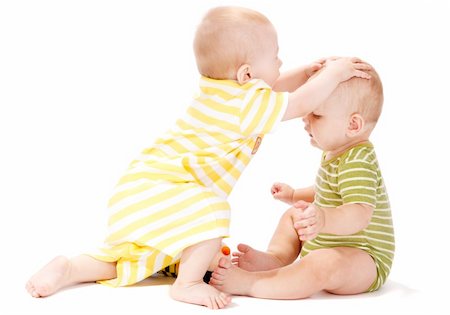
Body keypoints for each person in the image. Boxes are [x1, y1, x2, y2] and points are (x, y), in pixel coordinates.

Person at [25, 6, 370, 309]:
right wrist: (334, 74)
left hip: (147, 186)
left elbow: (276, 87)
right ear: (246, 74)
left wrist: (309, 71)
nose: (281, 62)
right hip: (167, 186)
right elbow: (297, 104)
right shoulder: (246, 104)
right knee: (213, 213)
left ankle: (69, 268)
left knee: (140, 257)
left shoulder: (223, 90)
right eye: (275, 55)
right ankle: (186, 284)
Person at [210, 65, 395, 299]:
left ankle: (252, 284)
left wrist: (323, 218)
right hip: (327, 241)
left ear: (353, 125)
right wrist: (295, 196)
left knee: (323, 263)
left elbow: (359, 213)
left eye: (316, 114)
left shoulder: (359, 160)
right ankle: (276, 258)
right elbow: (328, 192)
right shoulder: (336, 152)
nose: (305, 120)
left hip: (363, 258)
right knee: (294, 215)